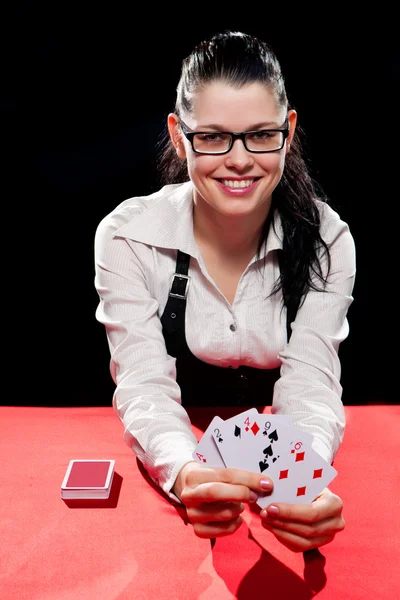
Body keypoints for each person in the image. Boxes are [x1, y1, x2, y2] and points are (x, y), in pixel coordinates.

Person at [94, 30, 355, 552]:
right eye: (213, 137)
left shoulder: (329, 237)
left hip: (280, 465)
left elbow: (311, 384)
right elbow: (143, 384)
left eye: (261, 135)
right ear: (178, 134)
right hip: (174, 470)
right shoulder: (127, 236)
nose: (239, 160)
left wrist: (302, 479)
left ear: (290, 129)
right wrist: (187, 473)